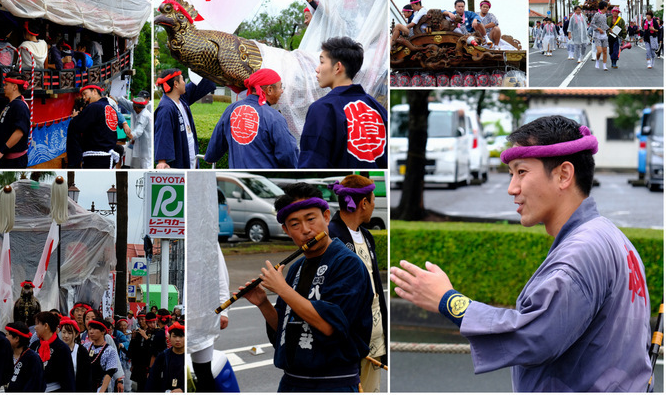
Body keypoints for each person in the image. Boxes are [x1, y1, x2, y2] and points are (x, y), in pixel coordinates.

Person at [390, 115, 652, 391]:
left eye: (521, 172)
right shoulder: (613, 237)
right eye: (511, 174)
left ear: (564, 174)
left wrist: (449, 301)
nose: (511, 188)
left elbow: (536, 337)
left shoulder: (580, 252)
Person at [240, 182, 373, 391]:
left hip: (333, 383)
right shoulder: (296, 268)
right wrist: (263, 303)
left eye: (311, 219)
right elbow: (287, 328)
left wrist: (282, 289)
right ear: (286, 230)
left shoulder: (347, 264)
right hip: (292, 382)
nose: (306, 230)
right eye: (294, 224)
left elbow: (330, 326)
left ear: (326, 217)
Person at [327, 176, 388, 393]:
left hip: (374, 336)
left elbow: (377, 287)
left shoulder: (367, 236)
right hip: (347, 340)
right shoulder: (330, 235)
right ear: (363, 203)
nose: (374, 205)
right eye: (373, 200)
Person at [298, 37, 388, 169]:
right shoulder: (378, 108)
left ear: (337, 67)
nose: (317, 69)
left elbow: (313, 162)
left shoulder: (323, 108)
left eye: (322, 62)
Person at [204, 68, 298, 168]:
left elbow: (216, 145)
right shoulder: (274, 117)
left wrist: (210, 157)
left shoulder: (231, 109)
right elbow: (288, 154)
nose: (282, 91)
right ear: (269, 90)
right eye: (280, 87)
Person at [154, 69, 216, 169]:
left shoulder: (181, 98)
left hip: (191, 158)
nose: (185, 83)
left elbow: (199, 85)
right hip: (181, 162)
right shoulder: (166, 108)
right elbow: (163, 134)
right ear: (176, 84)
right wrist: (162, 161)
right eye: (182, 80)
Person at [66, 85, 119, 168]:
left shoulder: (94, 107)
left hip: (95, 157)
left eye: (85, 94)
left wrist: (75, 118)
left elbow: (78, 126)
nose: (84, 98)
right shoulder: (110, 107)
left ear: (94, 91)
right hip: (107, 154)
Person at [0, 72, 31, 168]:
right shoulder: (9, 103)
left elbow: (19, 132)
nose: (4, 87)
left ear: (14, 87)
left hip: (15, 162)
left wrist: (2, 151)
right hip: (6, 159)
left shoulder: (20, 106)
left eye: (6, 85)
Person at [30, 311, 75, 392]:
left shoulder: (61, 348)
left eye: (37, 324)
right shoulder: (34, 345)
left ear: (46, 326)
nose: (35, 327)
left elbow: (67, 377)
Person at [5, 321, 45, 392]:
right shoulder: (7, 355)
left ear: (16, 339)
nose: (5, 338)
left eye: (7, 335)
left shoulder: (32, 358)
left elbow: (34, 385)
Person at [145, 322, 185, 392]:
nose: (178, 339)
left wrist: (182, 389)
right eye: (174, 336)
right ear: (169, 337)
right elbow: (152, 379)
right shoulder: (163, 356)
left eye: (181, 336)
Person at [116, 94, 153, 169]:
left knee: (146, 166)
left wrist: (131, 135)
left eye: (133, 106)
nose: (131, 108)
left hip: (145, 148)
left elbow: (139, 129)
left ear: (135, 107)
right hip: (141, 146)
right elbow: (126, 103)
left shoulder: (144, 115)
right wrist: (117, 95)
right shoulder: (140, 110)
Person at [59, 316, 92, 392]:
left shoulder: (81, 351)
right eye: (64, 332)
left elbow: (86, 376)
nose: (66, 336)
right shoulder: (58, 350)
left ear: (76, 334)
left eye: (69, 333)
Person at [84, 318, 119, 393]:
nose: (91, 331)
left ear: (103, 331)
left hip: (99, 387)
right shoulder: (85, 347)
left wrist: (101, 391)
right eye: (90, 329)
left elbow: (109, 373)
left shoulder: (110, 351)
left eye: (95, 329)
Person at [129, 312, 153, 392]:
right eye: (139, 320)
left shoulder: (152, 332)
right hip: (139, 364)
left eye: (142, 319)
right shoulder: (137, 332)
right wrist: (133, 338)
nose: (140, 321)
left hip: (148, 363)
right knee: (140, 387)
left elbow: (153, 349)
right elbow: (133, 351)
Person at [590, 0, 610, 70]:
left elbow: (604, 24)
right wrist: (599, 29)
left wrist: (609, 28)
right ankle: (597, 61)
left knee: (605, 51)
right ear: (604, 7)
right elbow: (592, 24)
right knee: (599, 51)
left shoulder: (605, 15)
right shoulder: (597, 14)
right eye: (606, 7)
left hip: (604, 35)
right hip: (597, 35)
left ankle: (604, 65)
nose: (607, 8)